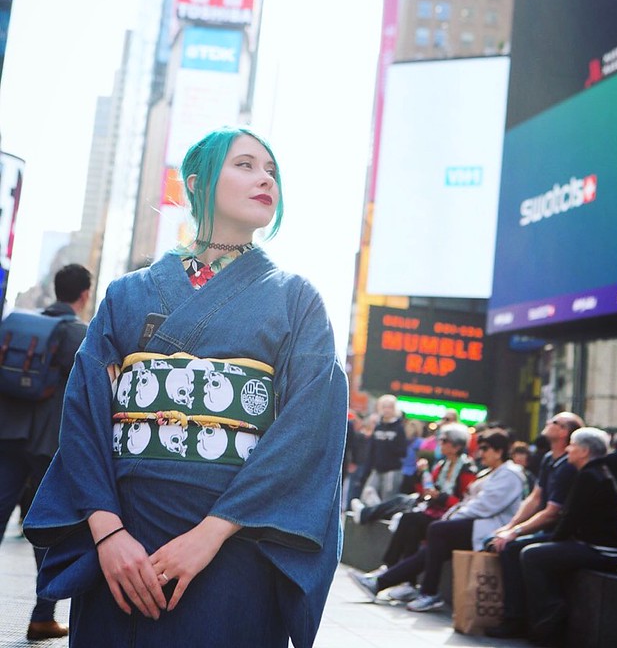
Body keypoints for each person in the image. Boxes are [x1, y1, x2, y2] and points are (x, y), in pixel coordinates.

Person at [23, 127, 348, 648]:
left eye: (272, 171)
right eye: (245, 165)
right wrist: (107, 535)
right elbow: (85, 414)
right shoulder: (128, 293)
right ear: (196, 182)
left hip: (234, 544)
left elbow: (309, 429)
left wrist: (209, 535)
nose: (265, 178)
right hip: (125, 536)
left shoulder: (297, 300)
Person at [0, 263, 91, 641]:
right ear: (84, 295)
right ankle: (41, 616)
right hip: (45, 445)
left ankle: (42, 615)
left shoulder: (21, 326)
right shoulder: (78, 334)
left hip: (7, 436)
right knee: (44, 530)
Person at [348, 428, 526, 612]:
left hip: (489, 528)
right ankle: (382, 582)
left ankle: (422, 590)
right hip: (471, 522)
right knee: (428, 542)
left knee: (437, 530)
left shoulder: (508, 474)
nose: (481, 452)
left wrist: (453, 516)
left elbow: (484, 505)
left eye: (485, 448)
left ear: (499, 451)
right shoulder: (485, 471)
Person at [520, 427, 617, 645]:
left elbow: (569, 518)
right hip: (595, 546)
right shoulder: (595, 472)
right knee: (537, 551)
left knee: (531, 555)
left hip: (602, 552)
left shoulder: (590, 475)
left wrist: (551, 542)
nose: (568, 449)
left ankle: (551, 611)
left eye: (573, 445)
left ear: (585, 451)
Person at [484, 411, 584, 640]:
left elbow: (551, 513)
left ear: (564, 432)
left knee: (512, 548)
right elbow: (535, 498)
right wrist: (509, 526)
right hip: (546, 529)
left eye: (554, 422)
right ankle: (518, 616)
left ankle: (517, 619)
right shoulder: (549, 458)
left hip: (562, 533)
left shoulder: (568, 466)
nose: (547, 423)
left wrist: (514, 532)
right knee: (498, 542)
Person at [350, 423, 477, 576]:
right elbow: (424, 492)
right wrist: (420, 476)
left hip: (449, 517)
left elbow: (466, 501)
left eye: (444, 440)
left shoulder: (467, 469)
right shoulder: (442, 465)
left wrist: (441, 497)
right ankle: (394, 572)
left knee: (411, 520)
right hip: (432, 510)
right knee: (410, 521)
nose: (440, 443)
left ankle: (393, 571)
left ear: (456, 446)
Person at [359, 394, 407, 504]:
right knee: (367, 494)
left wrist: (388, 443)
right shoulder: (378, 426)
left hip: (392, 469)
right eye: (384, 406)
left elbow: (403, 451)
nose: (386, 410)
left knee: (388, 499)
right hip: (377, 468)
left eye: (389, 407)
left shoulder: (399, 428)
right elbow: (372, 450)